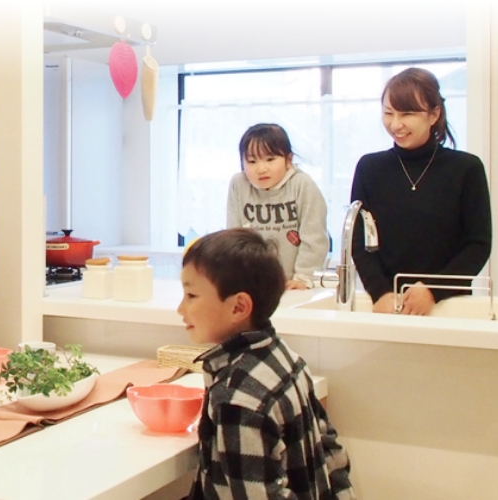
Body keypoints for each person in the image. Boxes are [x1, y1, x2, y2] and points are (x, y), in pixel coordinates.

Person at [178, 228, 355, 500]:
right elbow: (330, 451)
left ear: (239, 307)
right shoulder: (287, 359)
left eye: (191, 296)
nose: (180, 309)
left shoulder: (237, 400)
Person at [351, 67, 492, 315]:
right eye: (388, 113)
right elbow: (359, 241)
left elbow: (478, 244)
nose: (395, 124)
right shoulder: (369, 168)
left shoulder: (466, 169)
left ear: (434, 114)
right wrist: (380, 292)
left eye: (407, 113)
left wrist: (433, 290)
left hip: (449, 305)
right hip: (388, 304)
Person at [226, 123, 329, 290]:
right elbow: (234, 236)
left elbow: (314, 236)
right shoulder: (239, 184)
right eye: (252, 161)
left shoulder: (302, 184)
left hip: (293, 283)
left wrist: (304, 276)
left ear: (288, 160)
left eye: (270, 159)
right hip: (252, 283)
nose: (261, 169)